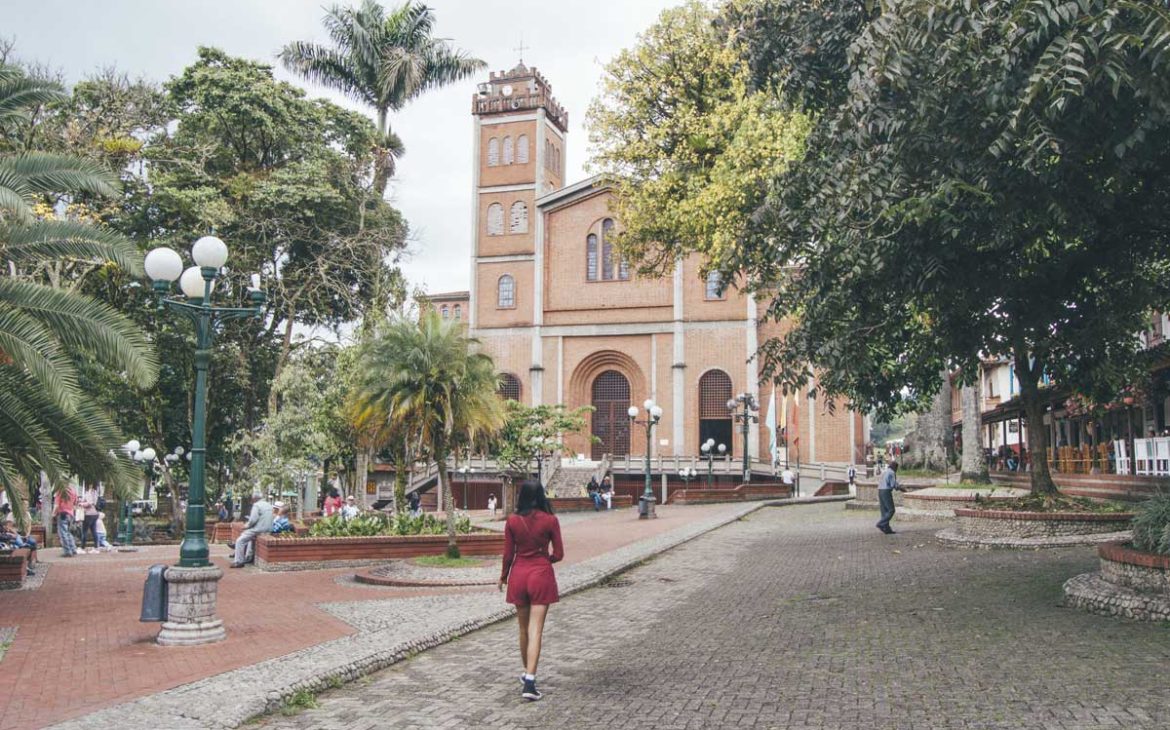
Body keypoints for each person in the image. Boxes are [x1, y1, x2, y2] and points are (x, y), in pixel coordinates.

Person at [498, 480, 563, 702]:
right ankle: (530, 681)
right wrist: (546, 560)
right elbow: (560, 553)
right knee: (536, 630)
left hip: (518, 575)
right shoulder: (551, 520)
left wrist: (503, 576)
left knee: (523, 630)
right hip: (540, 574)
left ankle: (526, 671)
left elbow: (508, 554)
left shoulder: (512, 521)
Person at [230, 495, 274, 568]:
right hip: (268, 529)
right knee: (250, 539)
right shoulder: (269, 505)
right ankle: (248, 556)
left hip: (259, 529)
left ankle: (239, 561)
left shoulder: (256, 505)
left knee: (240, 540)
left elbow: (253, 520)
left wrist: (245, 526)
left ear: (254, 499)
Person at [876, 461, 907, 535]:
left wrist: (898, 485)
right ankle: (881, 523)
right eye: (896, 468)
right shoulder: (892, 472)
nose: (896, 470)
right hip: (886, 491)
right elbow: (893, 484)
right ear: (895, 467)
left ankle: (886, 529)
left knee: (884, 511)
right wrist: (901, 488)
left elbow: (891, 482)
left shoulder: (886, 471)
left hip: (880, 490)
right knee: (891, 510)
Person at [54, 484, 78, 558]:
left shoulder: (60, 491)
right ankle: (73, 549)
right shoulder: (73, 491)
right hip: (70, 514)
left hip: (62, 513)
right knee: (69, 532)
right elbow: (75, 503)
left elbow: (57, 505)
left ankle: (67, 551)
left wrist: (53, 514)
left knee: (63, 533)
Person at [79, 485, 101, 553]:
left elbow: (89, 503)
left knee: (84, 531)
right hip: (95, 513)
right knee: (94, 530)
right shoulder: (95, 492)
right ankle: (96, 546)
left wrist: (81, 504)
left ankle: (82, 547)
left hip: (88, 514)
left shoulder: (89, 492)